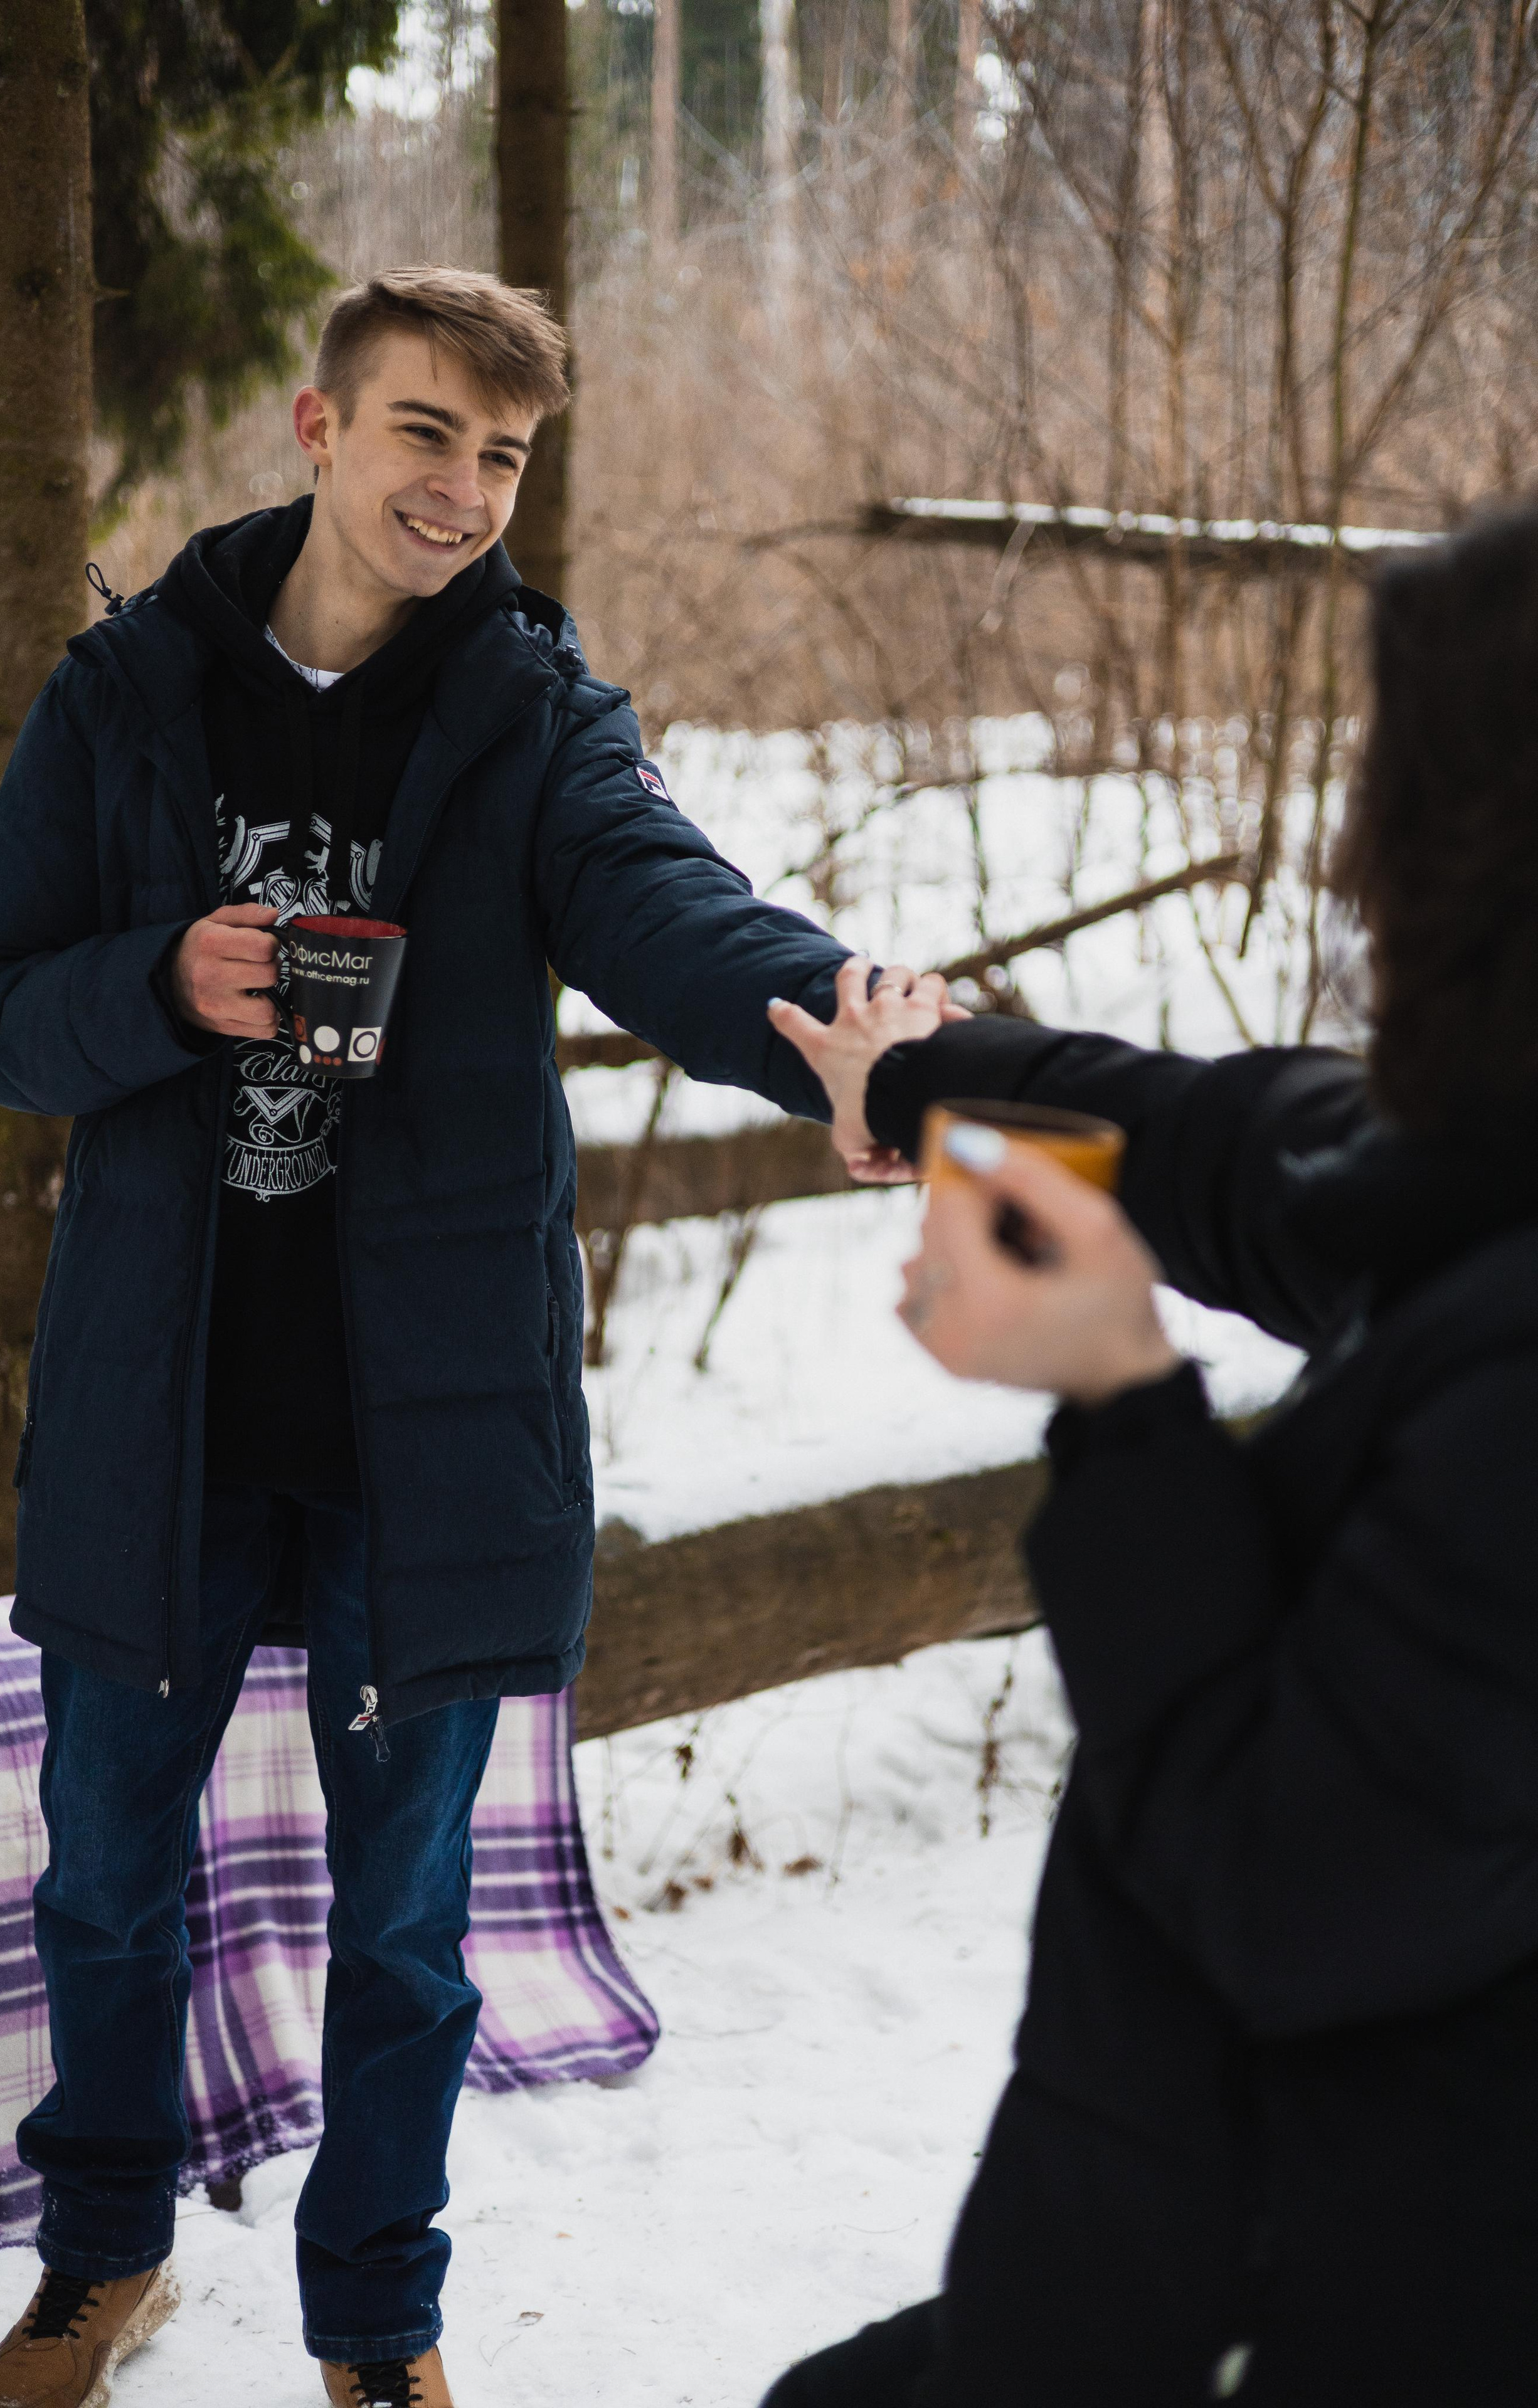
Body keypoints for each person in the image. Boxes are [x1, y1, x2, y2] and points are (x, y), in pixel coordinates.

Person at [0, 265, 957, 2408]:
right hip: (162, 1417)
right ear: (319, 429)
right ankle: (102, 2258)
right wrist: (162, 987)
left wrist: (839, 1038)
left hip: (433, 1425)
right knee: (112, 1889)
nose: (466, 489)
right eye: (427, 435)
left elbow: (669, 904)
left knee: (405, 1936)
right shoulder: (128, 692)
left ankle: (377, 2324)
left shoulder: (532, 711)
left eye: (504, 456)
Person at [761, 504, 1538, 2406]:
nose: (1353, 855)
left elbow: (1288, 1884)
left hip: (1337, 2282)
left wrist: (1117, 1399)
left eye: (1397, 789)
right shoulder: (1481, 1161)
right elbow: (1242, 1145)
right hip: (1200, 2223)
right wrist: (931, 1079)